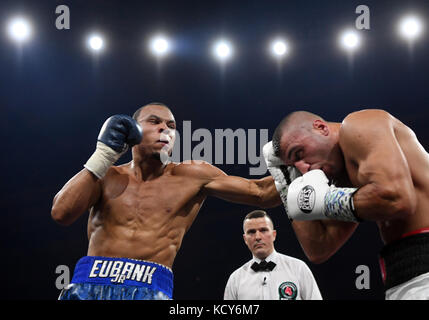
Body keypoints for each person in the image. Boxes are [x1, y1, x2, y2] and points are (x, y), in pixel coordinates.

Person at [51, 102, 281, 300]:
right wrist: (103, 155)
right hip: (89, 282)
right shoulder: (107, 175)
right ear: (132, 130)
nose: (165, 129)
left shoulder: (192, 175)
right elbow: (61, 212)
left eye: (171, 126)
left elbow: (260, 192)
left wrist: (301, 167)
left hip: (149, 286)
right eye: (154, 122)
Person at [263, 109, 429, 300]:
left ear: (320, 128)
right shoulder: (347, 180)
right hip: (404, 277)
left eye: (299, 153)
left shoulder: (359, 124)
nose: (303, 168)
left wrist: (327, 200)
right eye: (294, 166)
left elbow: (397, 199)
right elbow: (319, 247)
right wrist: (286, 180)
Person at [224, 210, 322, 300]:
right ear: (245, 239)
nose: (258, 237)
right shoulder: (235, 279)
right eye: (251, 232)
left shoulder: (298, 268)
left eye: (263, 230)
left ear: (274, 235)